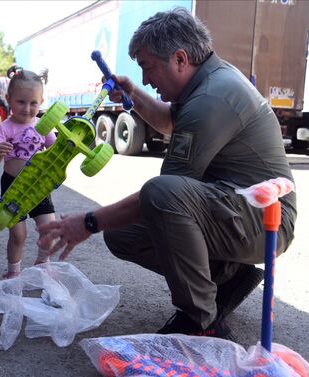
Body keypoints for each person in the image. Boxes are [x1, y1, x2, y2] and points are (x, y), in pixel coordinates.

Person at [37, 7, 297, 340]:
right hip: (238, 207)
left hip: (265, 219)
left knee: (162, 194)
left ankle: (203, 322)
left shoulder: (211, 96)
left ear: (179, 59)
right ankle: (228, 277)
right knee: (122, 234)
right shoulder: (207, 79)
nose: (145, 78)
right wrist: (133, 94)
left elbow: (163, 195)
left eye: (148, 67)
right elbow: (170, 123)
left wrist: (87, 221)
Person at [0, 67, 56, 278]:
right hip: (13, 186)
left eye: (33, 103)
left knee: (50, 228)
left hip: (38, 185)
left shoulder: (44, 126)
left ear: (41, 101)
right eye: (21, 102)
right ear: (9, 99)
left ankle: (43, 261)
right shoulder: (4, 128)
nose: (27, 109)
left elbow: (55, 151)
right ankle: (13, 272)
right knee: (18, 234)